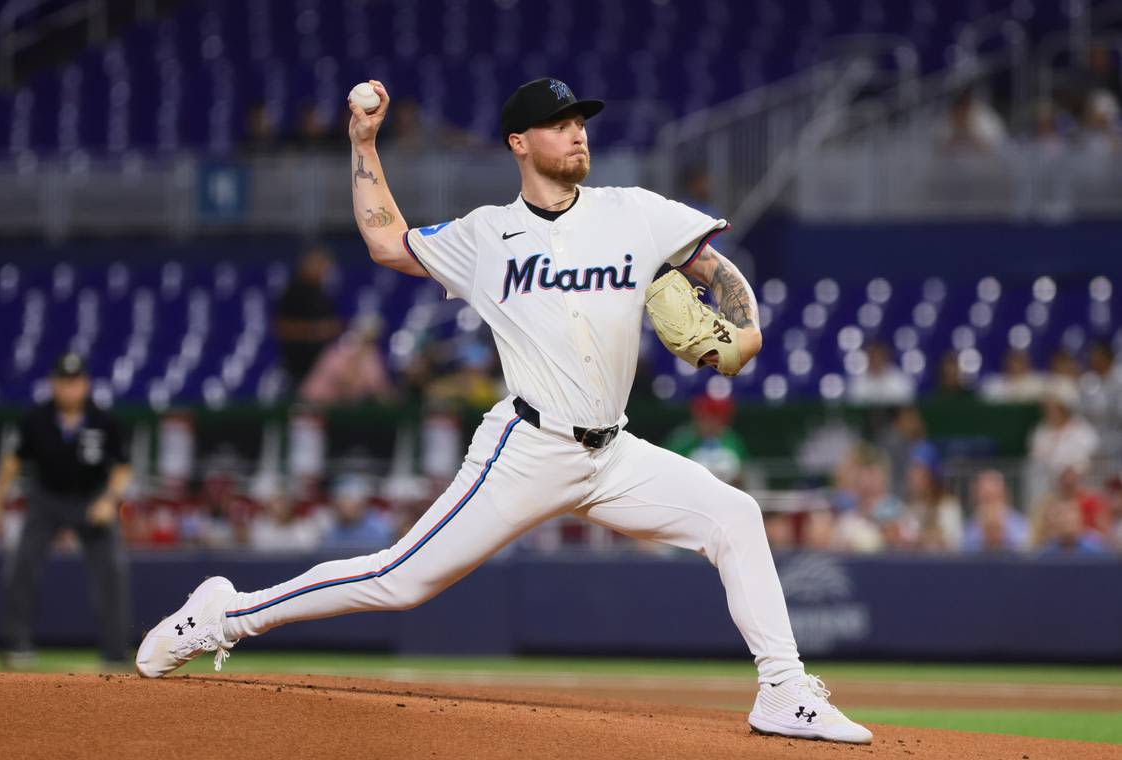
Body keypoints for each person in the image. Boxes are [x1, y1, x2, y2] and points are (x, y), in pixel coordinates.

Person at [136, 77, 872, 745]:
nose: (577, 131)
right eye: (558, 123)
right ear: (520, 143)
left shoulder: (636, 213)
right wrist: (363, 144)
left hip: (611, 452)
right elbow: (385, 238)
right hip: (526, 448)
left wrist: (744, 331)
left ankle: (782, 691)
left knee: (735, 516)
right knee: (399, 580)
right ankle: (226, 614)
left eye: (581, 119)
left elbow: (712, 264)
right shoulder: (486, 236)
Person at [0, 353, 131, 667]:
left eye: (75, 382)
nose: (69, 389)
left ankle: (116, 651)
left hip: (91, 498)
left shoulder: (103, 419)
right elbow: (13, 461)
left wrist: (109, 499)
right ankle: (15, 644)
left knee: (112, 571)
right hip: (47, 498)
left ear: (86, 384)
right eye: (63, 382)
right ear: (53, 384)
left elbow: (121, 467)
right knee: (22, 565)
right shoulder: (36, 418)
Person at [273, 246, 343, 389]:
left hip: (320, 366)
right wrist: (315, 330)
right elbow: (282, 327)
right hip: (298, 366)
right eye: (321, 265)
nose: (325, 270)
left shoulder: (322, 294)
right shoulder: (294, 292)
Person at [961, 470, 1030, 553]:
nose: (989, 505)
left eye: (993, 497)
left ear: (1004, 495)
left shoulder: (1019, 524)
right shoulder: (970, 527)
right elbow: (964, 552)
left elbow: (1025, 551)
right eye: (985, 499)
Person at [847, 341, 914, 406]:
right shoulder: (857, 382)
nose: (875, 360)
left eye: (878, 356)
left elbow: (906, 405)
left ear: (886, 357)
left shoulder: (900, 380)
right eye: (872, 357)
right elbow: (855, 405)